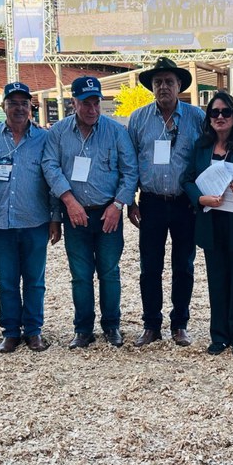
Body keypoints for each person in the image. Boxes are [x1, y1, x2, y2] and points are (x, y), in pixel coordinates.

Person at [42, 76, 138, 349]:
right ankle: (83, 329)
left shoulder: (116, 131)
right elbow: (50, 167)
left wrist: (118, 205)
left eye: (96, 102)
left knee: (109, 272)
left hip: (108, 213)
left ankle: (112, 326)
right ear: (73, 102)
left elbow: (130, 171)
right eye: (86, 103)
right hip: (76, 215)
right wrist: (68, 203)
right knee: (81, 275)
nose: (92, 109)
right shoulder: (58, 133)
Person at [127, 57, 205, 347]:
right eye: (158, 82)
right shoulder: (138, 119)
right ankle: (151, 325)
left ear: (179, 85)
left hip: (185, 203)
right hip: (151, 202)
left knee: (184, 265)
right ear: (152, 87)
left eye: (169, 82)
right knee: (150, 266)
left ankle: (180, 324)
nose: (163, 87)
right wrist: (130, 201)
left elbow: (205, 158)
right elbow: (131, 162)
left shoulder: (196, 117)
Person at [182, 92, 233, 357]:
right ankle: (219, 336)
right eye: (214, 112)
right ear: (208, 118)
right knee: (216, 280)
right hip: (211, 219)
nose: (220, 117)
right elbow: (187, 180)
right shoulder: (201, 146)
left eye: (225, 112)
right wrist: (199, 198)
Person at [0, 82, 62, 354]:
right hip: (0, 223)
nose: (19, 108)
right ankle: (10, 332)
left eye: (24, 103)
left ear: (31, 107)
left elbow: (51, 180)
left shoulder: (44, 138)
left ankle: (34, 331)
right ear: (3, 106)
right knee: (6, 281)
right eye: (13, 103)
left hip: (35, 221)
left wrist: (55, 218)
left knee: (35, 280)